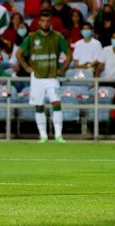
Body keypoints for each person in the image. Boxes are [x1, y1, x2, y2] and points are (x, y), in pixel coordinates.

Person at [17, 10, 72, 143]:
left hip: (53, 77)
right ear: (38, 22)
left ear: (50, 22)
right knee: (39, 106)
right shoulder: (31, 37)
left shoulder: (58, 37)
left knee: (57, 103)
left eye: (48, 21)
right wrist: (26, 67)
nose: (45, 23)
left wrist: (62, 69)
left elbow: (69, 55)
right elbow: (18, 54)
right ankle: (43, 136)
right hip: (37, 78)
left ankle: (58, 135)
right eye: (43, 21)